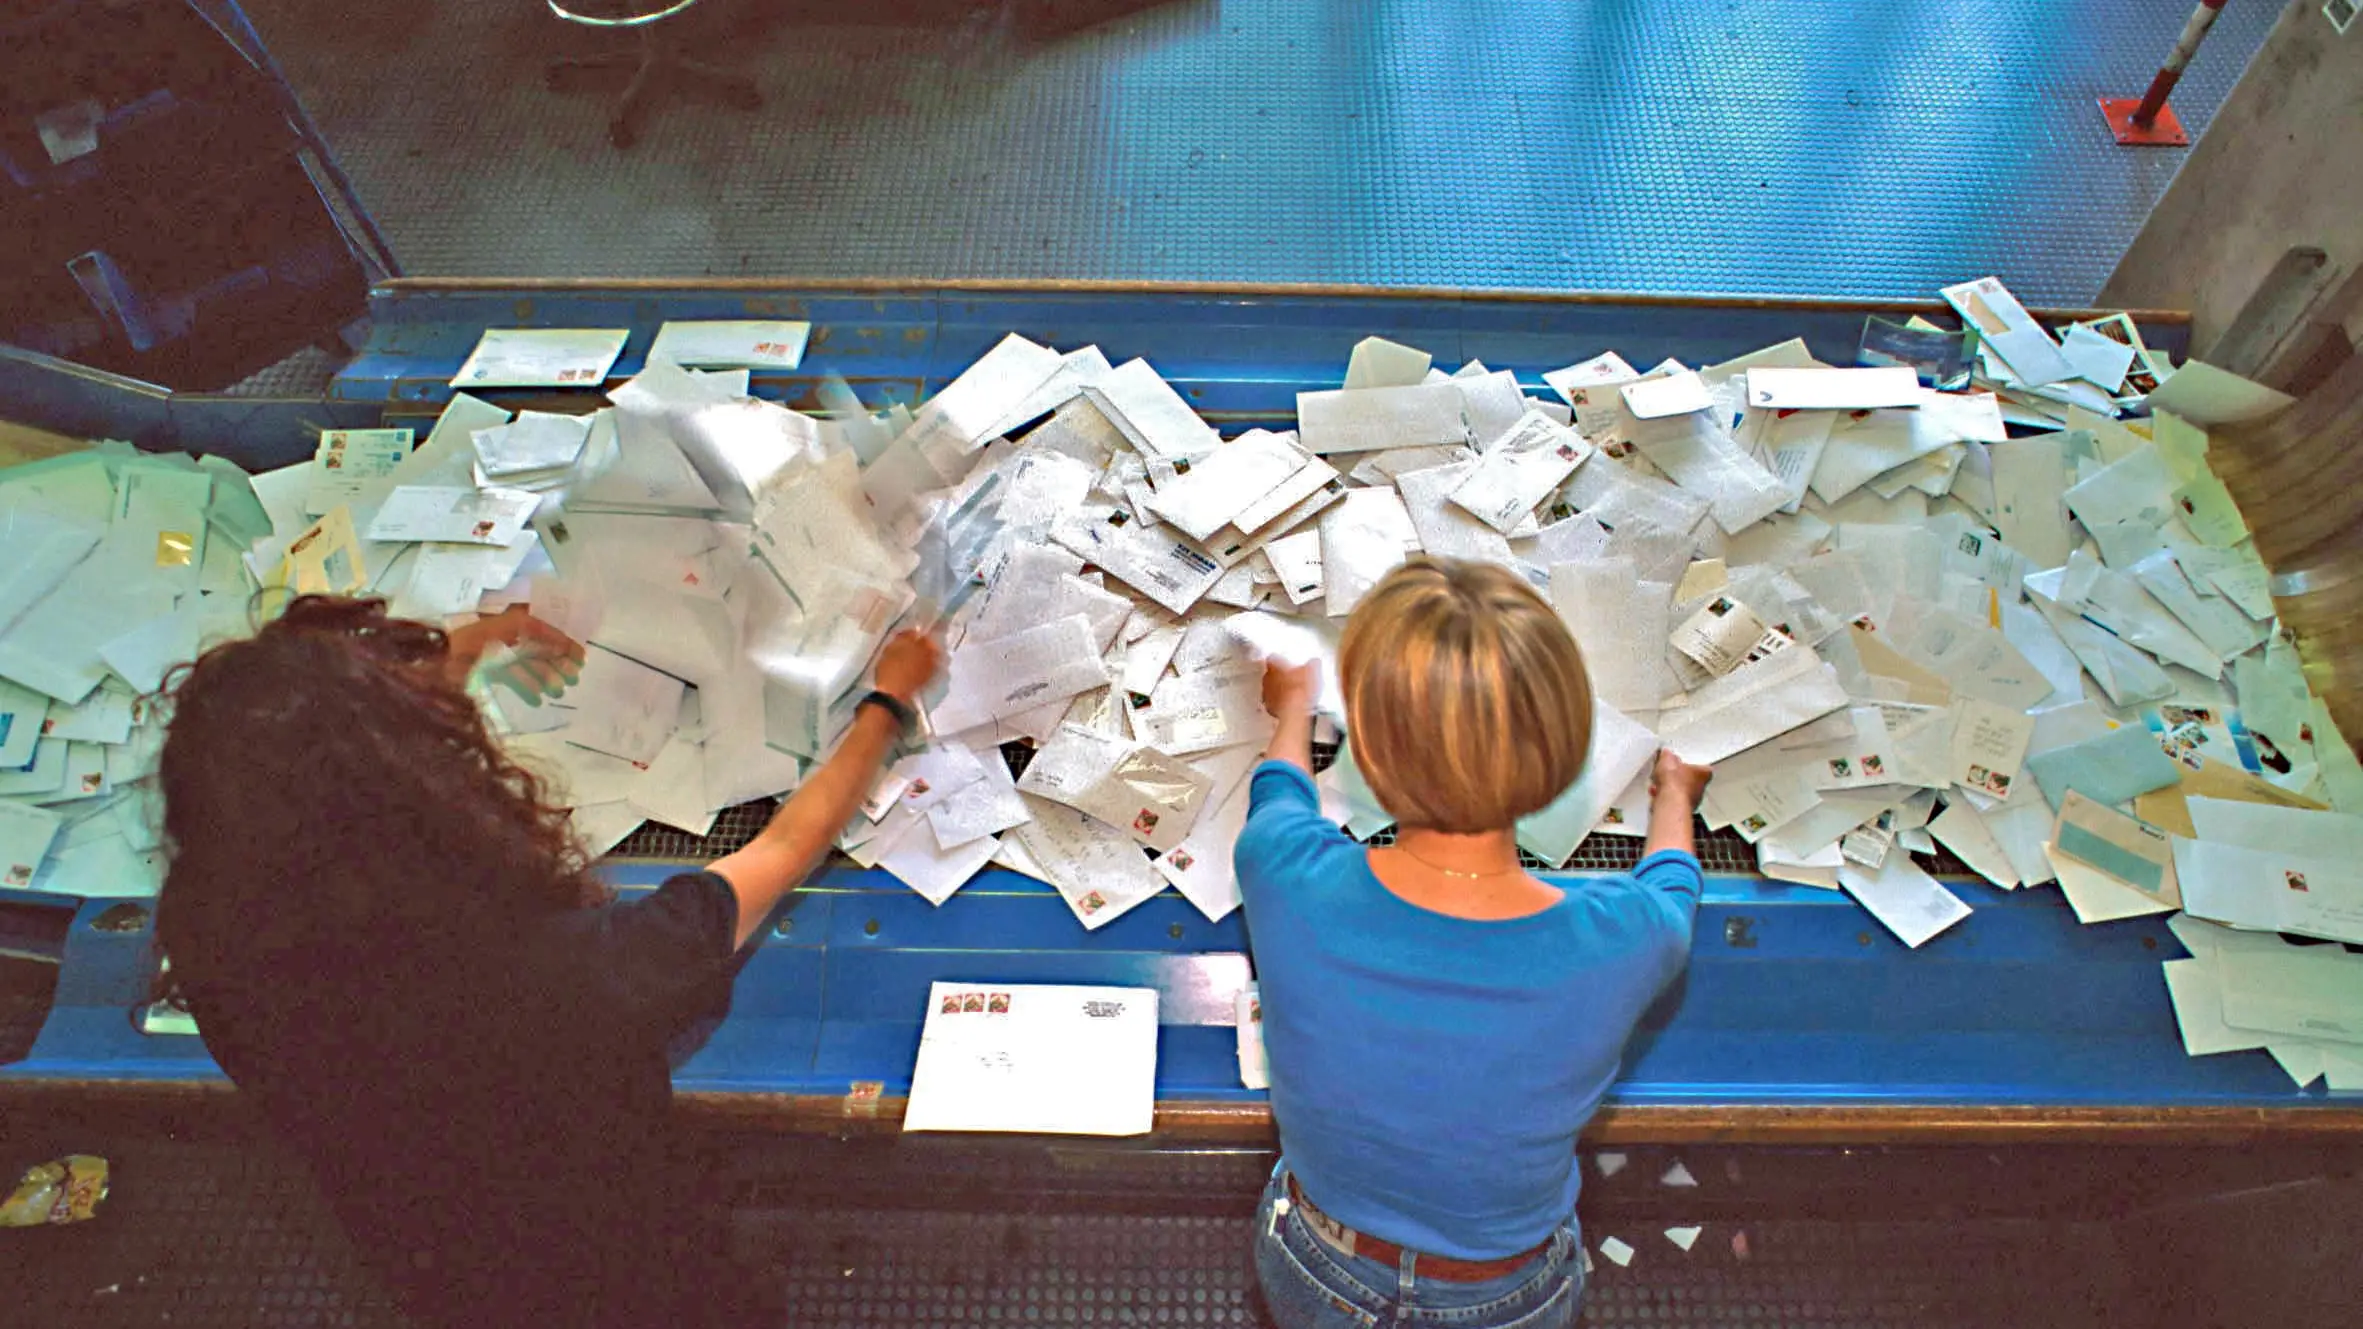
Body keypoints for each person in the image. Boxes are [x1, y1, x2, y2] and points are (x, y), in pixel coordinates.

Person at [155, 595, 941, 1328]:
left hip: (420, 1252)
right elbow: (784, 845)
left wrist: (463, 647)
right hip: (621, 1264)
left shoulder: (204, 921)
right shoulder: (569, 975)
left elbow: (330, 780)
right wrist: (887, 700)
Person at [1234, 559, 1712, 1329]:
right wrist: (1675, 795)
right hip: (1505, 1290)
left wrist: (1291, 710)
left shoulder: (1284, 873)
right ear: (1560, 756)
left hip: (1319, 1260)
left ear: (1374, 760)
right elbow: (1672, 883)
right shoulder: (1629, 936)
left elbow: (1277, 793)